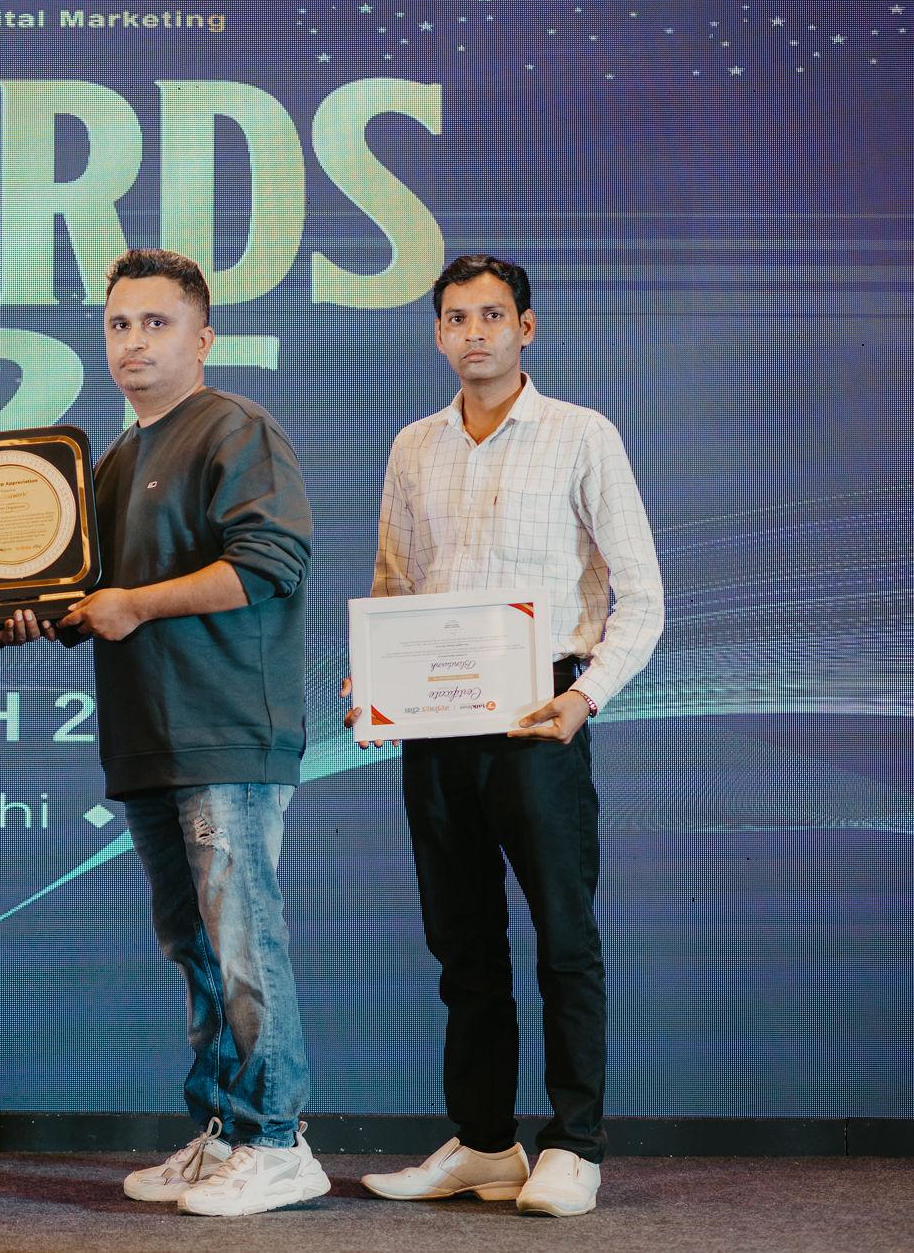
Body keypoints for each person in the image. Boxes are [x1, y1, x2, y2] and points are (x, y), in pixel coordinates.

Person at [4, 248, 327, 1217]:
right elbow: (85, 597)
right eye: (118, 324)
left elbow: (269, 561)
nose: (133, 342)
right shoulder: (110, 461)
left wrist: (136, 603)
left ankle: (278, 1141)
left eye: (156, 322)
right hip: (147, 740)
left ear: (203, 336)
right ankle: (224, 1129)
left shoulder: (235, 427)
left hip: (226, 732)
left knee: (242, 942)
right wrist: (22, 611)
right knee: (195, 948)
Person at [349, 254, 664, 1218]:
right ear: (437, 334)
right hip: (435, 723)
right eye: (457, 318)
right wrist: (374, 683)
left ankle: (575, 1144)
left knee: (564, 936)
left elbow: (643, 596)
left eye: (493, 315)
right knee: (463, 944)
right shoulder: (414, 444)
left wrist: (586, 698)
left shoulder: (582, 434)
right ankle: (486, 1143)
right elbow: (395, 584)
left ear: (527, 328)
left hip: (541, 717)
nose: (474, 333)